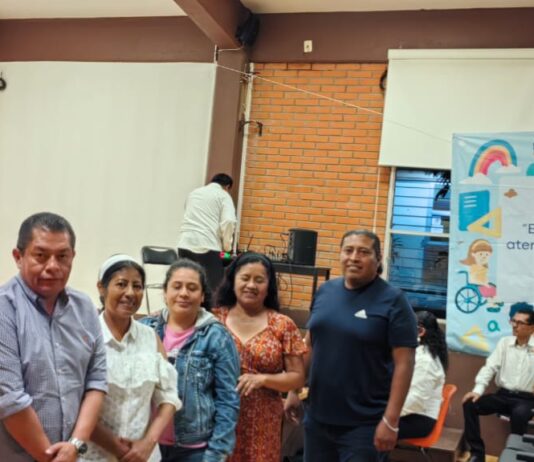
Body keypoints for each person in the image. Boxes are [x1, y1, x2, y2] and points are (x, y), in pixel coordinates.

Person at [286, 230, 418, 462]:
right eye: (348, 250)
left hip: (365, 426)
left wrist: (391, 420)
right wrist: (294, 390)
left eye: (363, 252)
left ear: (378, 259)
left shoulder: (394, 301)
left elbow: (404, 364)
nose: (354, 257)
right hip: (317, 418)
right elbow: (310, 343)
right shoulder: (325, 291)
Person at [0, 212, 107, 462]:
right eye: (40, 255)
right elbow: (9, 398)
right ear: (18, 256)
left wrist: (75, 445)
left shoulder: (85, 308)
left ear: (73, 257)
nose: (52, 266)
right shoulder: (5, 308)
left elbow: (97, 381)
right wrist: (53, 458)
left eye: (62, 256)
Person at [81, 255, 181, 461]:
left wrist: (148, 443)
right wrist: (118, 449)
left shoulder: (150, 337)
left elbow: (168, 396)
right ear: (101, 288)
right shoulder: (86, 337)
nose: (130, 293)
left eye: (137, 286)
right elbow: (74, 403)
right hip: (94, 455)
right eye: (121, 284)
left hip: (144, 455)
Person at [141, 258, 240, 462]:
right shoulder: (145, 329)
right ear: (165, 292)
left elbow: (228, 400)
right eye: (177, 286)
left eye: (192, 288)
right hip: (146, 446)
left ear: (202, 295)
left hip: (194, 450)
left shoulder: (217, 336)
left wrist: (217, 453)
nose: (184, 293)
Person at [213, 252, 307, 462]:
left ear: (269, 285)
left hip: (263, 422)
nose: (251, 285)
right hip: (218, 419)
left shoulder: (282, 325)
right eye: (245, 278)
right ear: (233, 280)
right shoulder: (213, 319)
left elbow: (297, 377)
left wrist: (262, 379)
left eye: (259, 280)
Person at [462, 308, 534, 462]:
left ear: (532, 328)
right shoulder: (504, 343)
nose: (515, 326)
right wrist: (477, 390)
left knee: (519, 414)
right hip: (503, 395)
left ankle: (515, 456)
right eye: (513, 321)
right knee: (470, 404)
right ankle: (477, 453)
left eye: (520, 323)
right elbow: (490, 367)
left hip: (526, 399)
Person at [177, 173, 237, 292]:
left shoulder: (194, 193)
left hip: (184, 244)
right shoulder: (224, 195)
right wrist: (227, 247)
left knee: (187, 286)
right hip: (208, 247)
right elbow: (229, 221)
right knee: (214, 289)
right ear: (227, 187)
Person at [398, 310, 447, 439]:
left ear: (420, 331)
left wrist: (388, 414)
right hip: (409, 413)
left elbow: (415, 400)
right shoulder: (418, 352)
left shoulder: (426, 362)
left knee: (366, 428)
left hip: (418, 419)